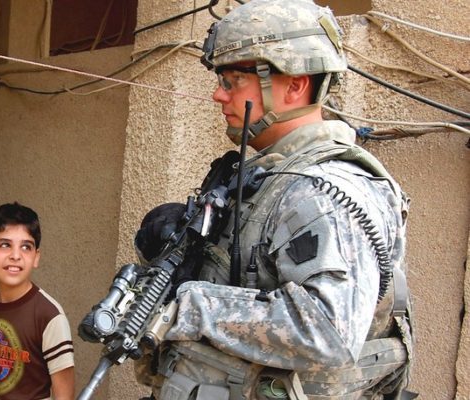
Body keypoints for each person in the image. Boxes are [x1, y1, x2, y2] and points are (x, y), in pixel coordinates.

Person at [133, 0, 414, 399]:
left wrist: (192, 306)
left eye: (232, 81)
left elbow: (327, 329)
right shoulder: (268, 175)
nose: (218, 95)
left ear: (294, 84)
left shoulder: (323, 192)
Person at [0, 202, 74, 400]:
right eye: (5, 245)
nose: (15, 256)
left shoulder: (49, 316)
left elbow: (64, 394)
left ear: (36, 257)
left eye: (26, 247)